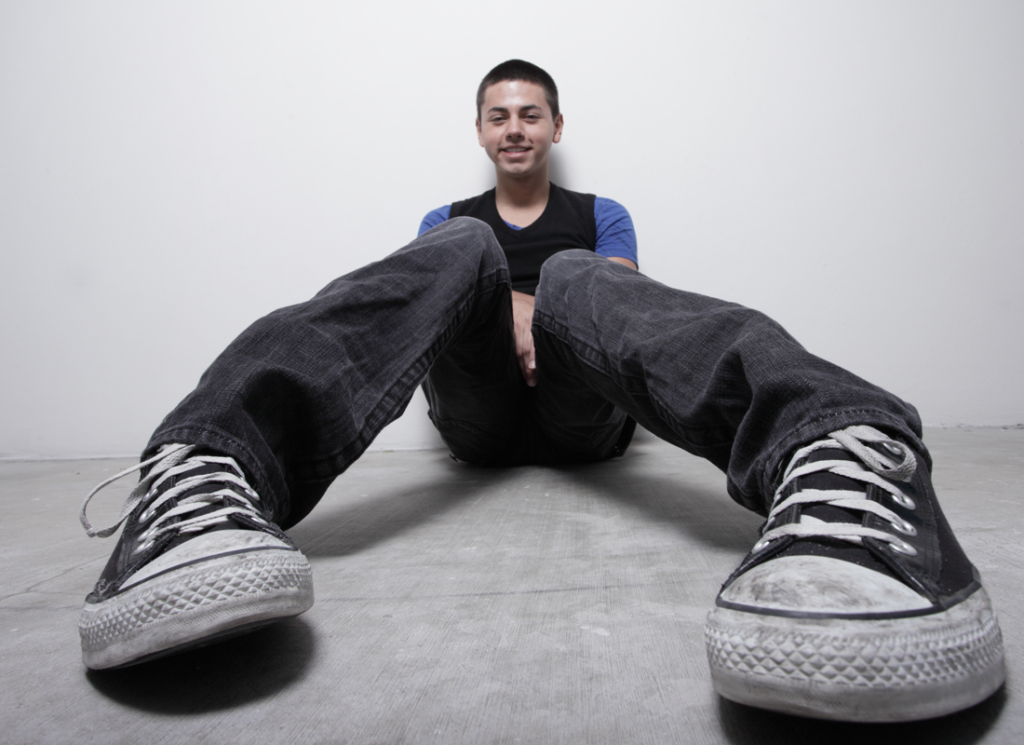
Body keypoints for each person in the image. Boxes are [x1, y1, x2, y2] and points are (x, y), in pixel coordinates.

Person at [78, 60, 1004, 723]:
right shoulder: (448, 219)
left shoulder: (600, 214)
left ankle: (835, 441)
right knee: (460, 249)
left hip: (580, 412)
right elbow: (427, 312)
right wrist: (505, 303)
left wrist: (541, 301)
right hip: (479, 416)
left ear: (557, 127)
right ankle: (209, 462)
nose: (514, 127)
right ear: (481, 132)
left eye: (530, 113)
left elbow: (626, 306)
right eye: (498, 115)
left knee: (575, 274)